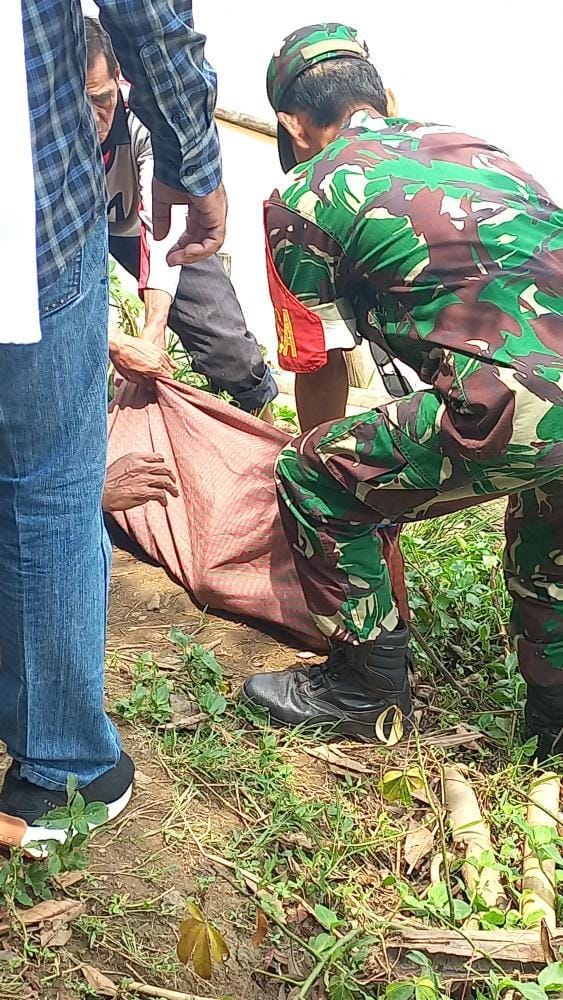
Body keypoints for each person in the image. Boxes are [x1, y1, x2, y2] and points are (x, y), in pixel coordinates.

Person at [242, 23, 563, 760]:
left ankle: (363, 693)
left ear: (291, 124)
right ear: (384, 96)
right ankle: (553, 726)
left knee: (309, 476)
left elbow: (319, 361)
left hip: (520, 401)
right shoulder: (478, 149)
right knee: (549, 535)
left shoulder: (304, 194)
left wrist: (319, 462)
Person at [0, 0, 226, 853]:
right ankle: (64, 768)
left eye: (104, 99)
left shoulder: (124, 139)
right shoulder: (88, 131)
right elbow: (151, 14)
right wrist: (196, 156)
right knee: (49, 489)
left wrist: (149, 334)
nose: (97, 107)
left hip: (89, 268)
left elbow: (156, 254)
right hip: (28, 240)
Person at [84, 18, 277, 415]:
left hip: (144, 223)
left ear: (117, 79)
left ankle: (260, 425)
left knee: (227, 343)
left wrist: (153, 330)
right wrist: (115, 341)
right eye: (77, 105)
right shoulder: (34, 138)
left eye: (101, 100)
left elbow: (162, 230)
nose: (92, 119)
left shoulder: (144, 117)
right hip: (66, 233)